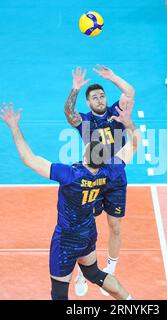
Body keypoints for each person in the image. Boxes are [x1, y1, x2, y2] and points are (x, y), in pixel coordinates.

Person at [0, 99, 141, 300]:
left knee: (59, 294)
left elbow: (29, 159)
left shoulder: (70, 175)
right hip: (88, 234)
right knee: (94, 273)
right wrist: (129, 123)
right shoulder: (109, 171)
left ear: (84, 154)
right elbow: (134, 143)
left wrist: (14, 127)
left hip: (65, 241)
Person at [63, 66, 135, 296]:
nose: (100, 99)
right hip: (92, 179)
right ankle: (85, 273)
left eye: (102, 95)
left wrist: (113, 77)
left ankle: (110, 271)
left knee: (115, 226)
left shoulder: (116, 111)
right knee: (88, 229)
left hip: (115, 178)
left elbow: (130, 92)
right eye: (94, 97)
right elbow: (68, 112)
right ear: (88, 103)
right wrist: (75, 88)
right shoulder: (84, 122)